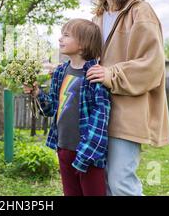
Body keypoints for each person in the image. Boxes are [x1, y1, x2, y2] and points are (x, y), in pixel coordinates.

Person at [86, 0, 169, 196]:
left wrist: (111, 74)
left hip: (128, 112)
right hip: (99, 112)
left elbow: (152, 64)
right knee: (103, 185)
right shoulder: (98, 18)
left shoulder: (141, 11)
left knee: (121, 181)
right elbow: (89, 60)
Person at [24, 19, 111, 196]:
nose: (60, 39)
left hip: (88, 155)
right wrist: (37, 93)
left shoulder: (95, 74)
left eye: (66, 35)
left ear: (83, 44)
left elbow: (100, 119)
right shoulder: (60, 72)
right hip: (63, 148)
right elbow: (51, 109)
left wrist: (87, 155)